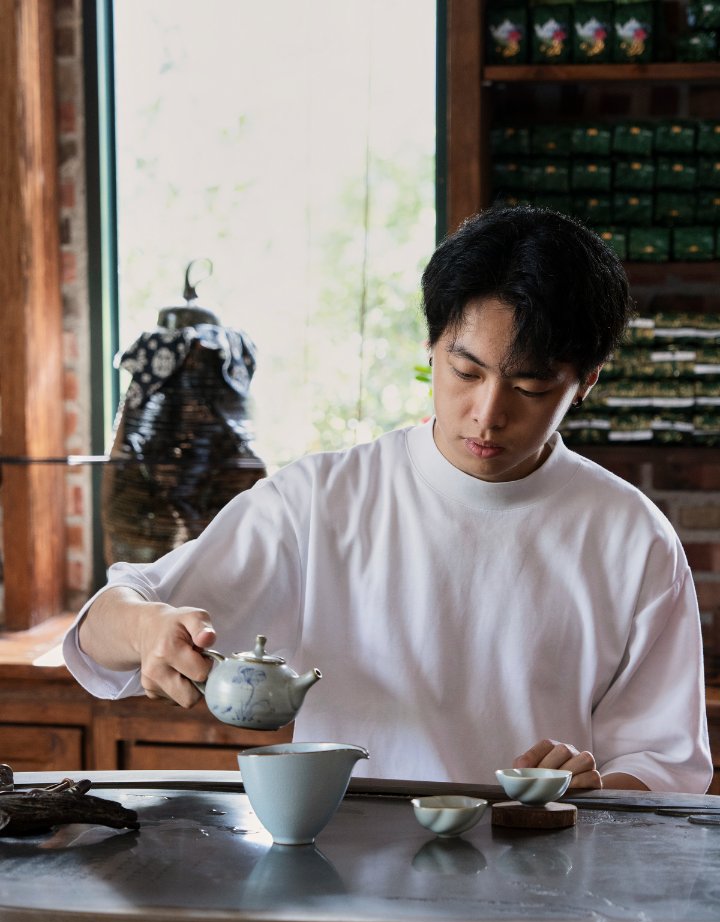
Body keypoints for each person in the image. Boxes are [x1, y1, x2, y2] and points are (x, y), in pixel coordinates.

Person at [64, 206, 713, 793]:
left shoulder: (634, 540)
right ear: (431, 349)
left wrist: (595, 787)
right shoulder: (322, 502)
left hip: (545, 888)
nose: (487, 414)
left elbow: (668, 768)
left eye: (531, 386)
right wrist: (148, 629)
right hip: (344, 886)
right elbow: (103, 628)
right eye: (466, 371)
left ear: (585, 383)